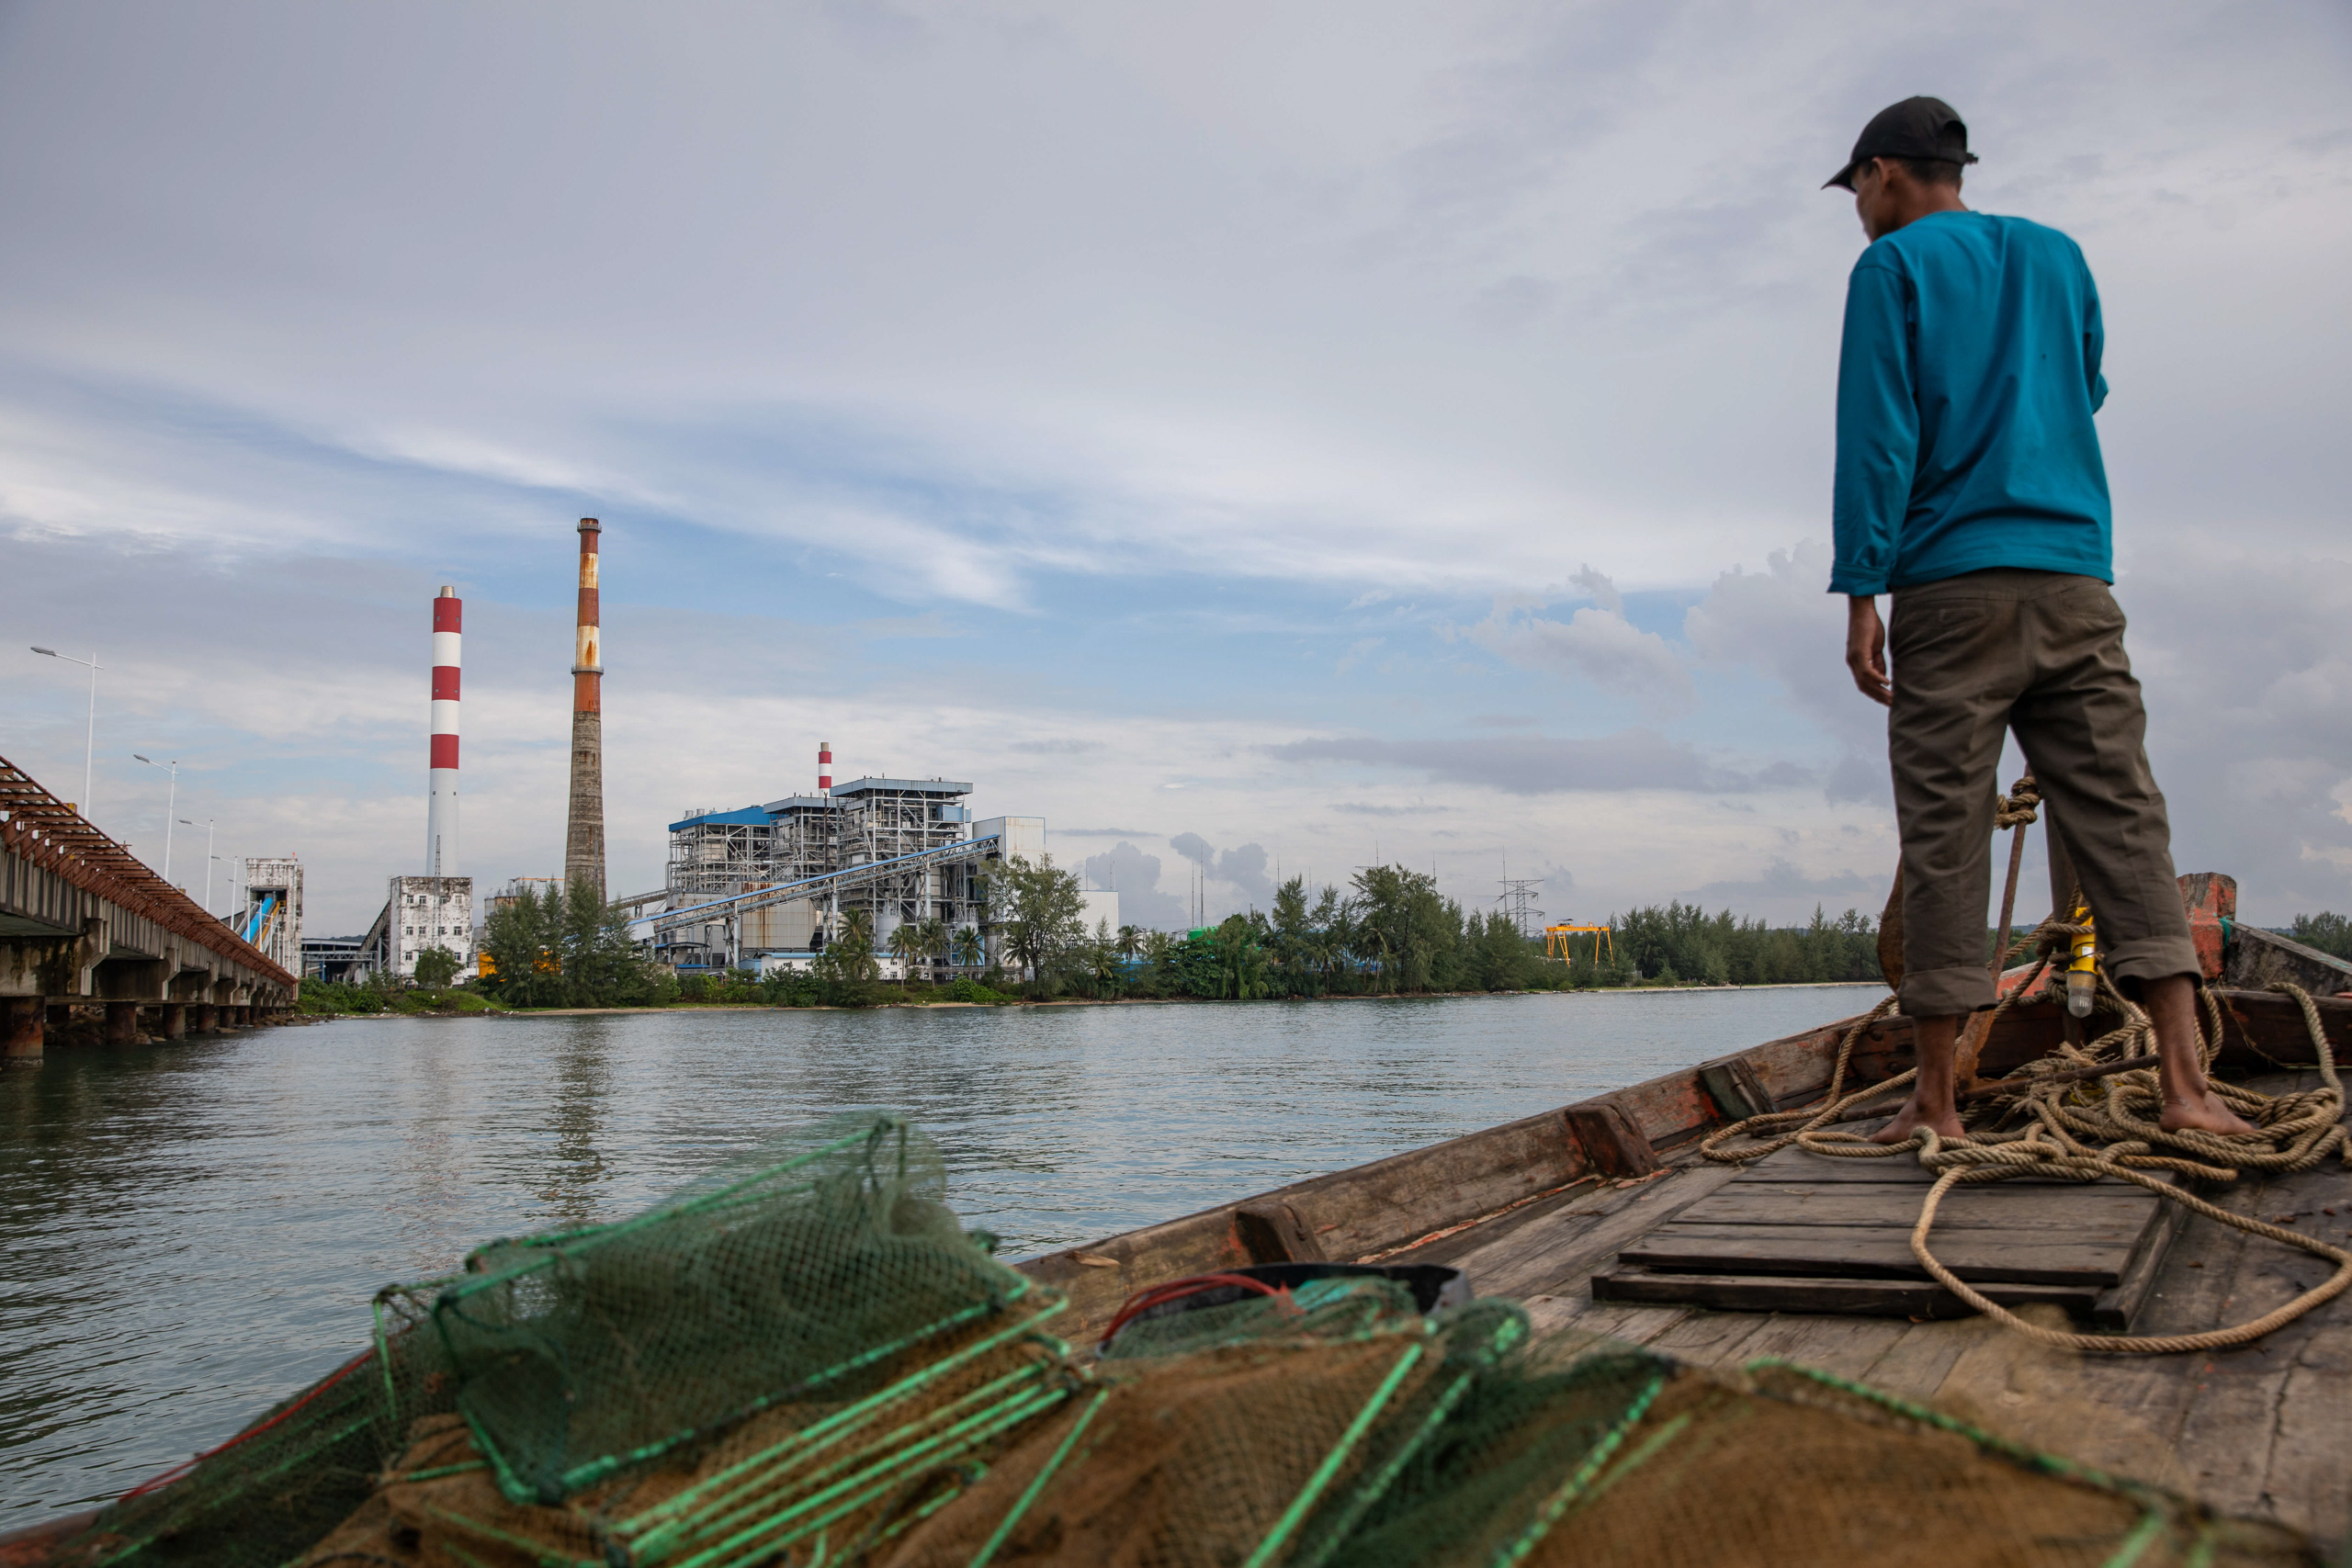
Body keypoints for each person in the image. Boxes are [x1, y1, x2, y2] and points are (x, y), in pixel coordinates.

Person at [1822, 96, 2253, 1141]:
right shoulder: (2058, 256)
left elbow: (1878, 433)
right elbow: (2086, 387)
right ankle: (2189, 1093)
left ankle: (1935, 1104)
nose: (1857, 212)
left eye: (1857, 192)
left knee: (1943, 836)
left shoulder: (1892, 268)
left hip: (1949, 589)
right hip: (2074, 585)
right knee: (2125, 825)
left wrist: (1861, 591)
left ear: (1883, 174)